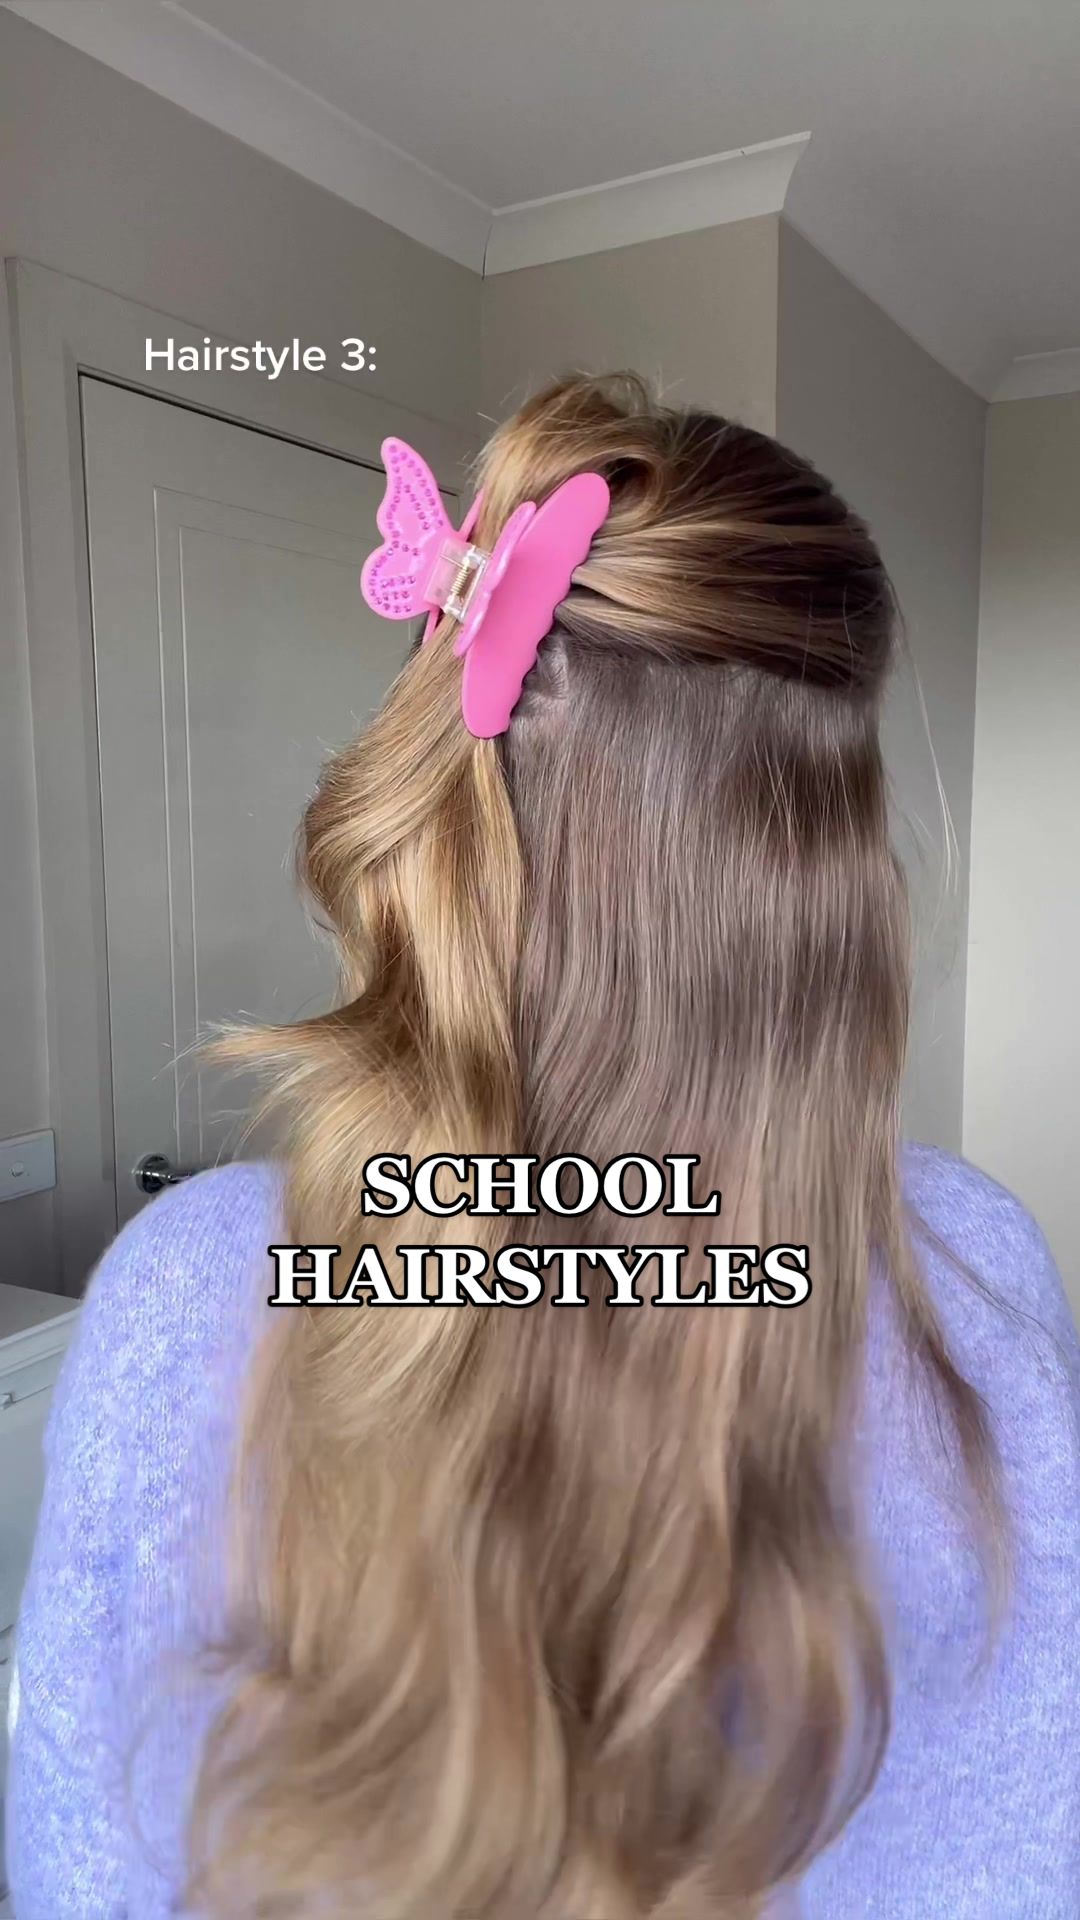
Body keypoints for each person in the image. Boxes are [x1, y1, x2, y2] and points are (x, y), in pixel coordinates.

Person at [6, 373, 1079, 1920]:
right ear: (835, 865)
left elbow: (80, 1870)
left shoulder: (192, 1293)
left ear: (436, 803)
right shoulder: (970, 1265)